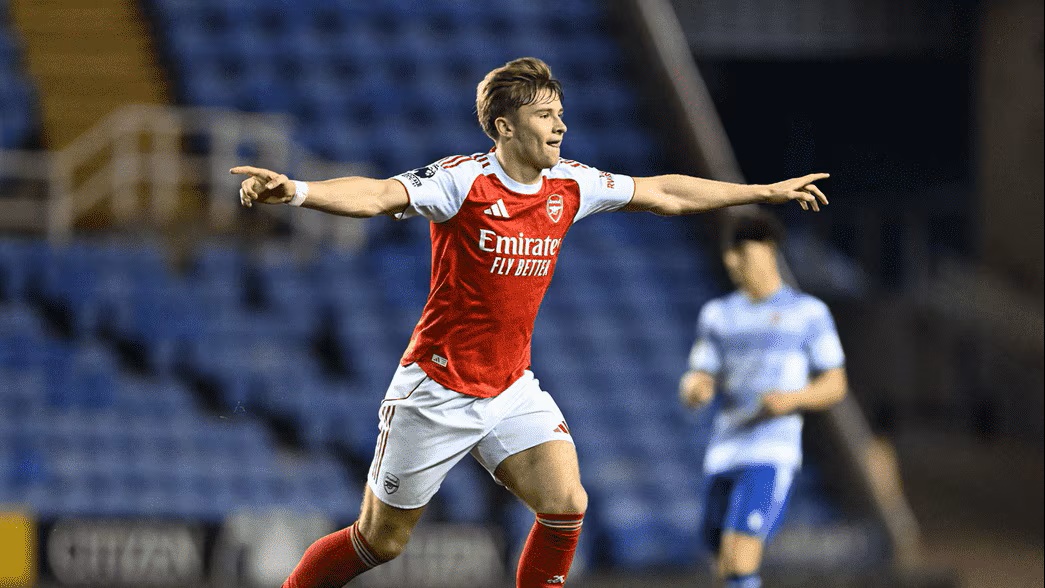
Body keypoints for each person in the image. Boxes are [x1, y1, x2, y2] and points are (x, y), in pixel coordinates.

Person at [233, 57, 829, 588]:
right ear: (505, 127)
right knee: (378, 543)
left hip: (511, 387)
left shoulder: (570, 182)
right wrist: (297, 190)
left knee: (567, 501)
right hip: (436, 390)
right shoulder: (463, 181)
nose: (560, 125)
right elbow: (378, 195)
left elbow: (662, 192)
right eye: (545, 114)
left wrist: (760, 190)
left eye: (561, 113)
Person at [678, 211, 848, 588]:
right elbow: (700, 373)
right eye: (732, 255)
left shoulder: (808, 314)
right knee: (722, 563)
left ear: (769, 252)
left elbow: (835, 384)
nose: (735, 263)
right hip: (724, 451)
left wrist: (793, 399)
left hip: (770, 452)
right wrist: (695, 388)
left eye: (745, 254)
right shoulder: (718, 315)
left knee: (741, 558)